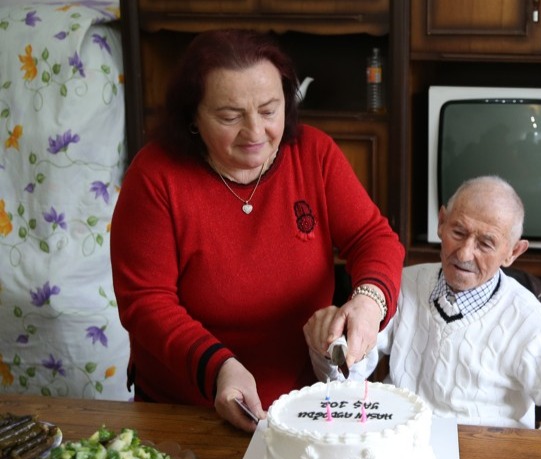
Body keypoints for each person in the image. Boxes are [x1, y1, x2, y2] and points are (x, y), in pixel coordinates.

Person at [110, 29, 404, 433]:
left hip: (303, 404)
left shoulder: (314, 154)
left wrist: (369, 301)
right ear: (192, 115)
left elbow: (374, 237)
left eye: (269, 110)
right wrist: (218, 368)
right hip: (186, 407)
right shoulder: (155, 177)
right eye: (230, 117)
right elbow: (145, 302)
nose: (255, 133)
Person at [306, 176, 541, 432]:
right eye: (458, 232)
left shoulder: (530, 321)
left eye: (485, 243)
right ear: (441, 223)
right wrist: (330, 348)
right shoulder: (401, 284)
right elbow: (345, 380)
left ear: (512, 252)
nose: (464, 254)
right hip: (400, 447)